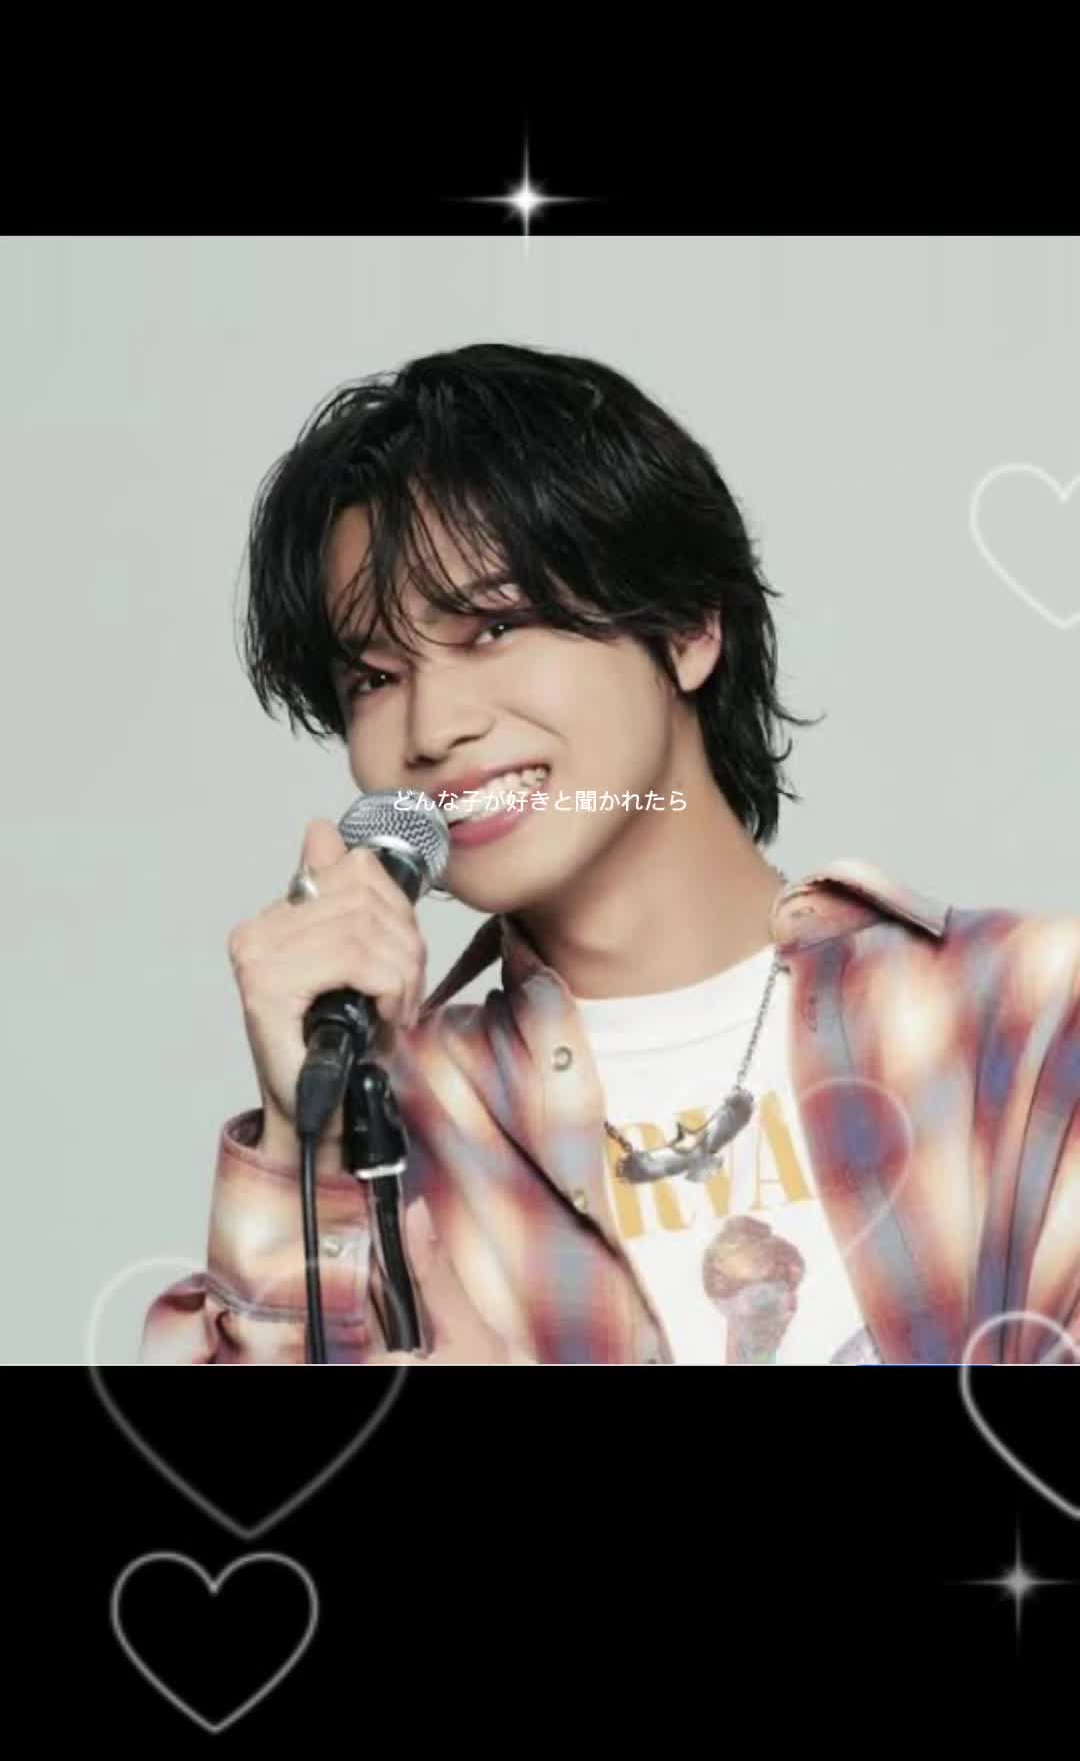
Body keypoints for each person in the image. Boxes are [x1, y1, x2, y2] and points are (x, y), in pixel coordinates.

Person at [140, 343, 1080, 1365]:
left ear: (688, 627)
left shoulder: (1023, 1022)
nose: (433, 727)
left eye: (494, 626)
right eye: (373, 677)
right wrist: (301, 1141)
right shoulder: (389, 1128)